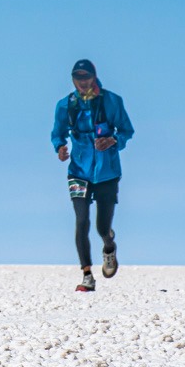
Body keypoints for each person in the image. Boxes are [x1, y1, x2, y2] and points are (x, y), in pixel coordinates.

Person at [51, 59, 134, 293]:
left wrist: (113, 141)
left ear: (94, 77)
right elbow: (57, 133)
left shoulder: (112, 101)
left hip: (107, 173)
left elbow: (127, 130)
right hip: (78, 171)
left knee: (101, 227)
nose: (83, 82)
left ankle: (109, 247)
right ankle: (87, 275)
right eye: (78, 78)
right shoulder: (65, 105)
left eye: (86, 77)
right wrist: (60, 147)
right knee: (81, 221)